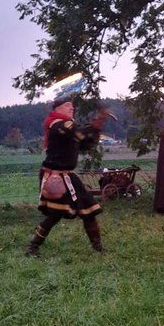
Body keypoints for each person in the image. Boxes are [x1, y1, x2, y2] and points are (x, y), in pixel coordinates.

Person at [25, 94, 107, 257]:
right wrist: (93, 124)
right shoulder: (57, 125)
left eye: (72, 106)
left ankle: (98, 248)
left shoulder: (68, 127)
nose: (72, 108)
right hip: (54, 176)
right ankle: (32, 247)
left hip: (69, 176)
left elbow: (84, 144)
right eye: (68, 105)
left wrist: (96, 128)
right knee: (55, 214)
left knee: (89, 210)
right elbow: (78, 134)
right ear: (58, 109)